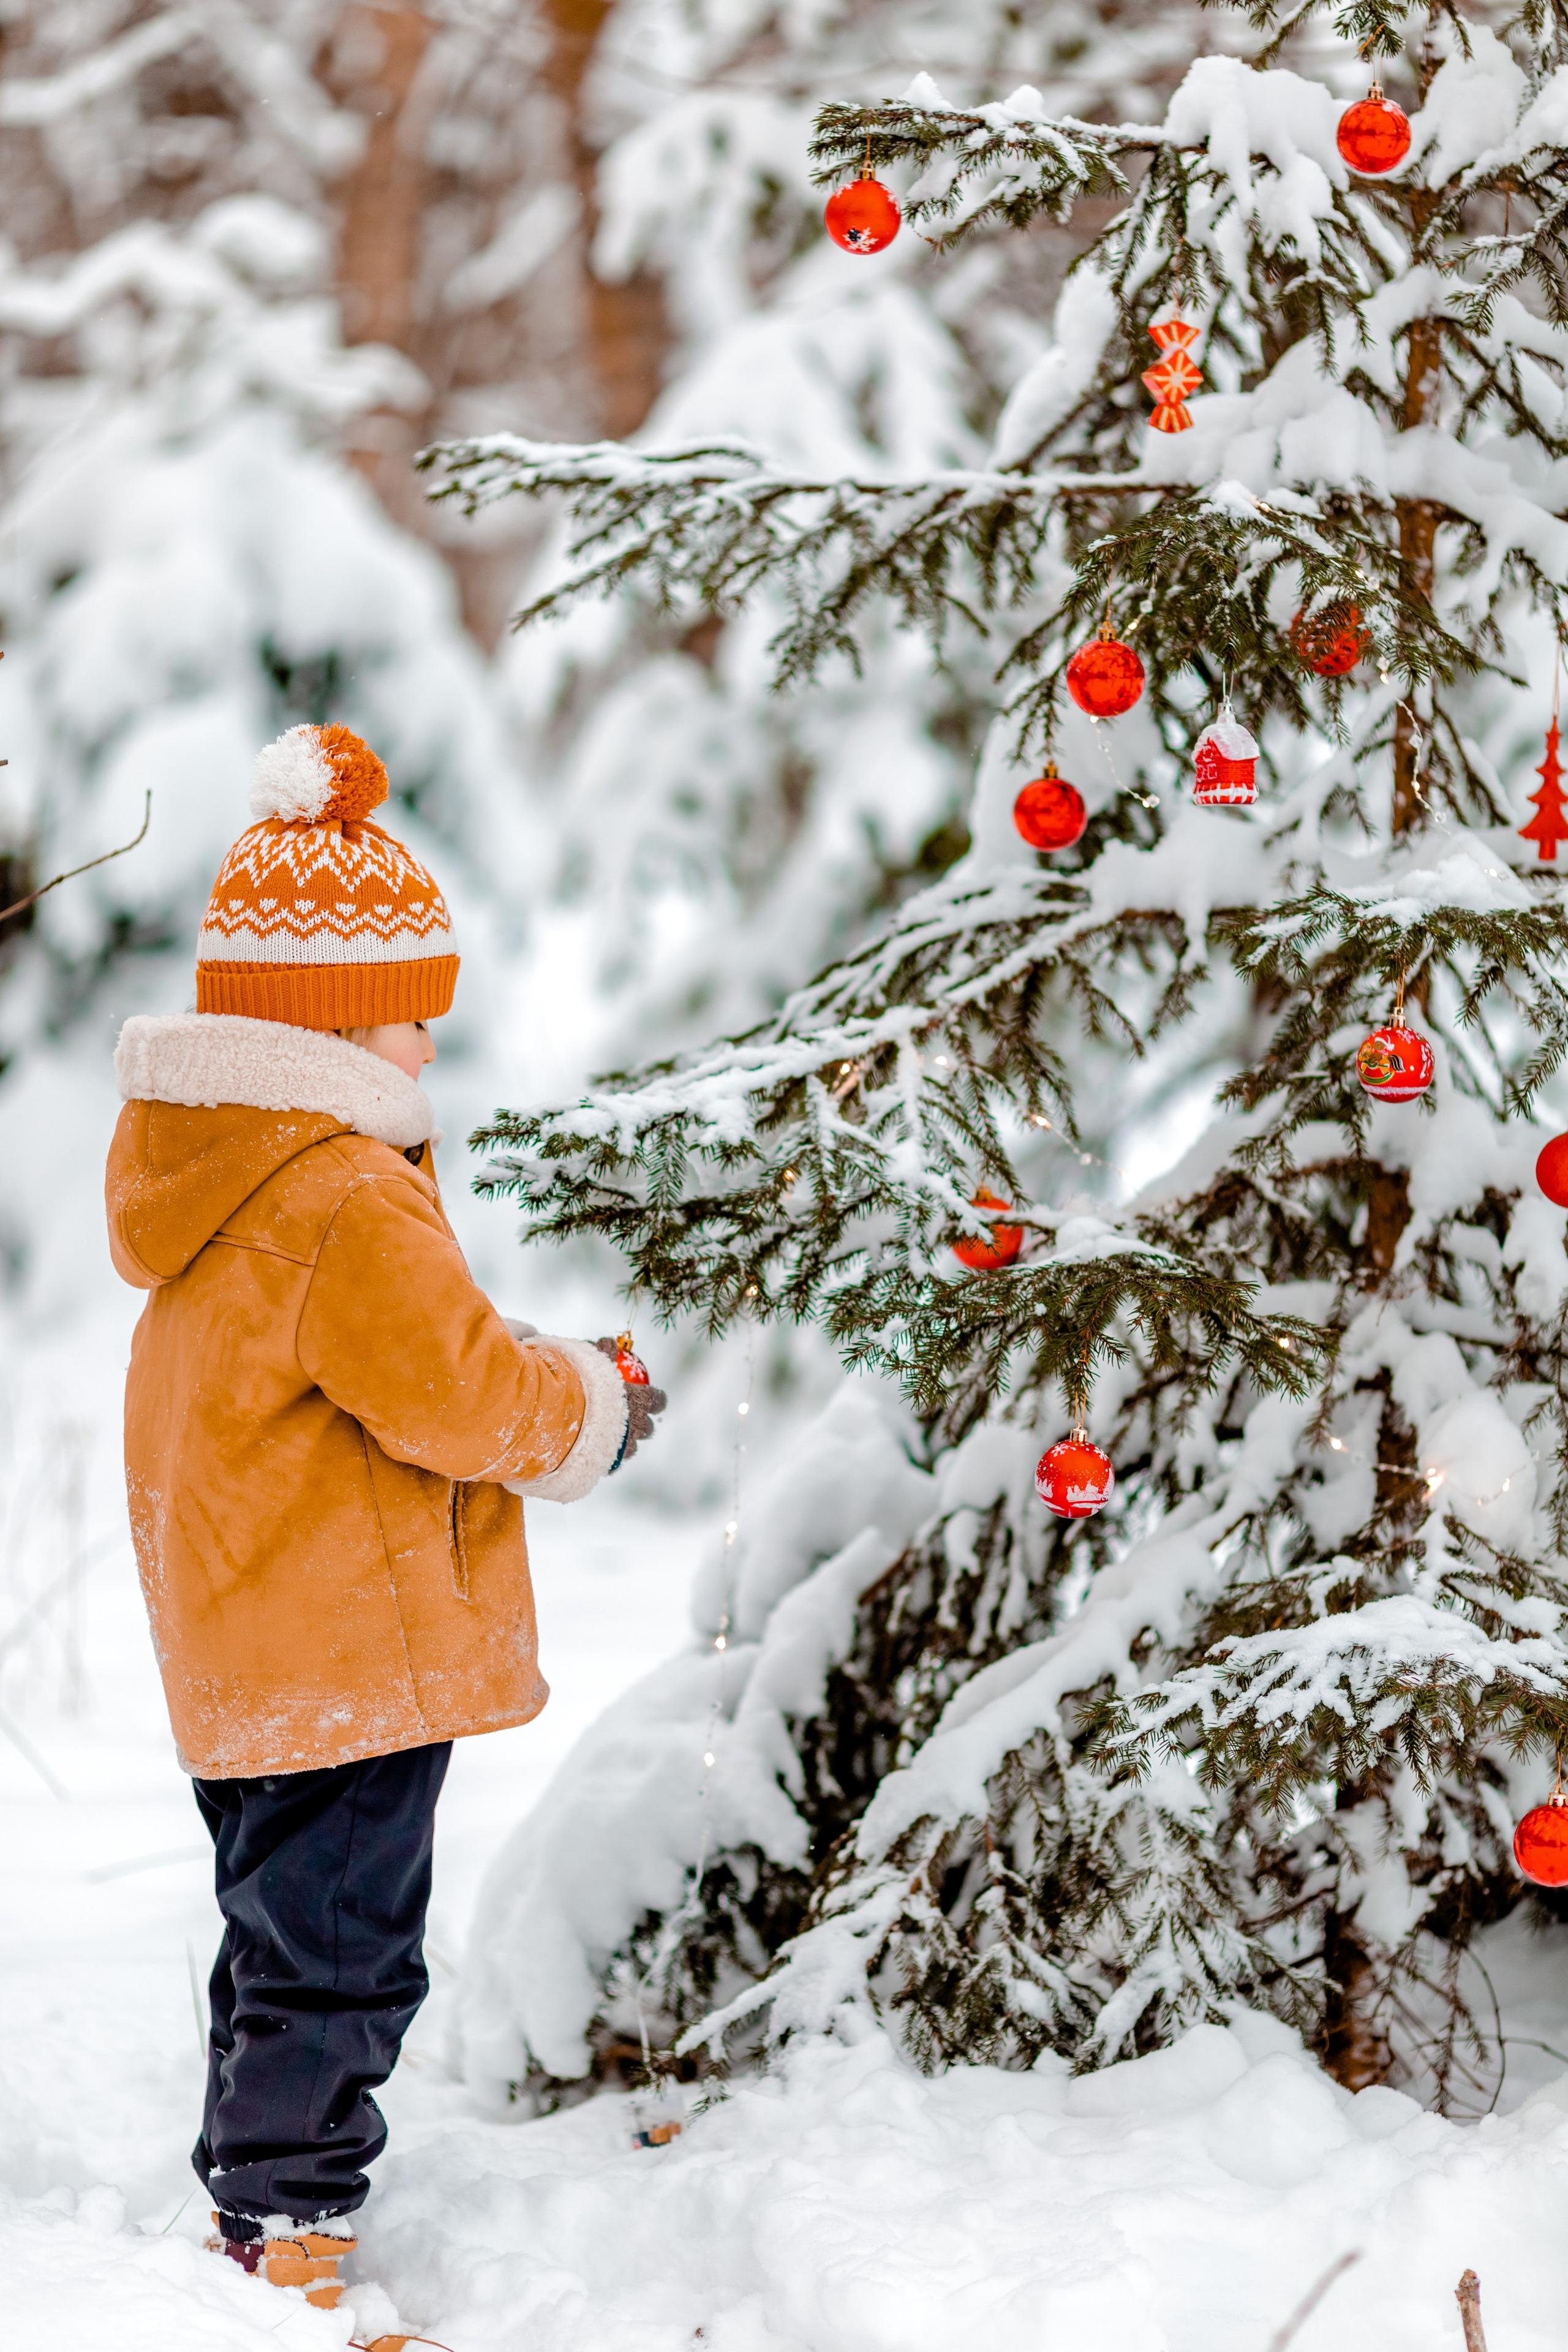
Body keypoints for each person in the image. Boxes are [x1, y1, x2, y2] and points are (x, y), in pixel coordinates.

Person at [104, 722, 663, 2324]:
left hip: (243, 1644)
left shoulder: (213, 1183)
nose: (430, 1040)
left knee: (275, 1941)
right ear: (336, 1021)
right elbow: (463, 1395)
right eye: (412, 1007)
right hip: (343, 1655)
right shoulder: (342, 1194)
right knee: (345, 1960)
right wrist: (598, 1406)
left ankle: (255, 2193)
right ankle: (288, 2229)